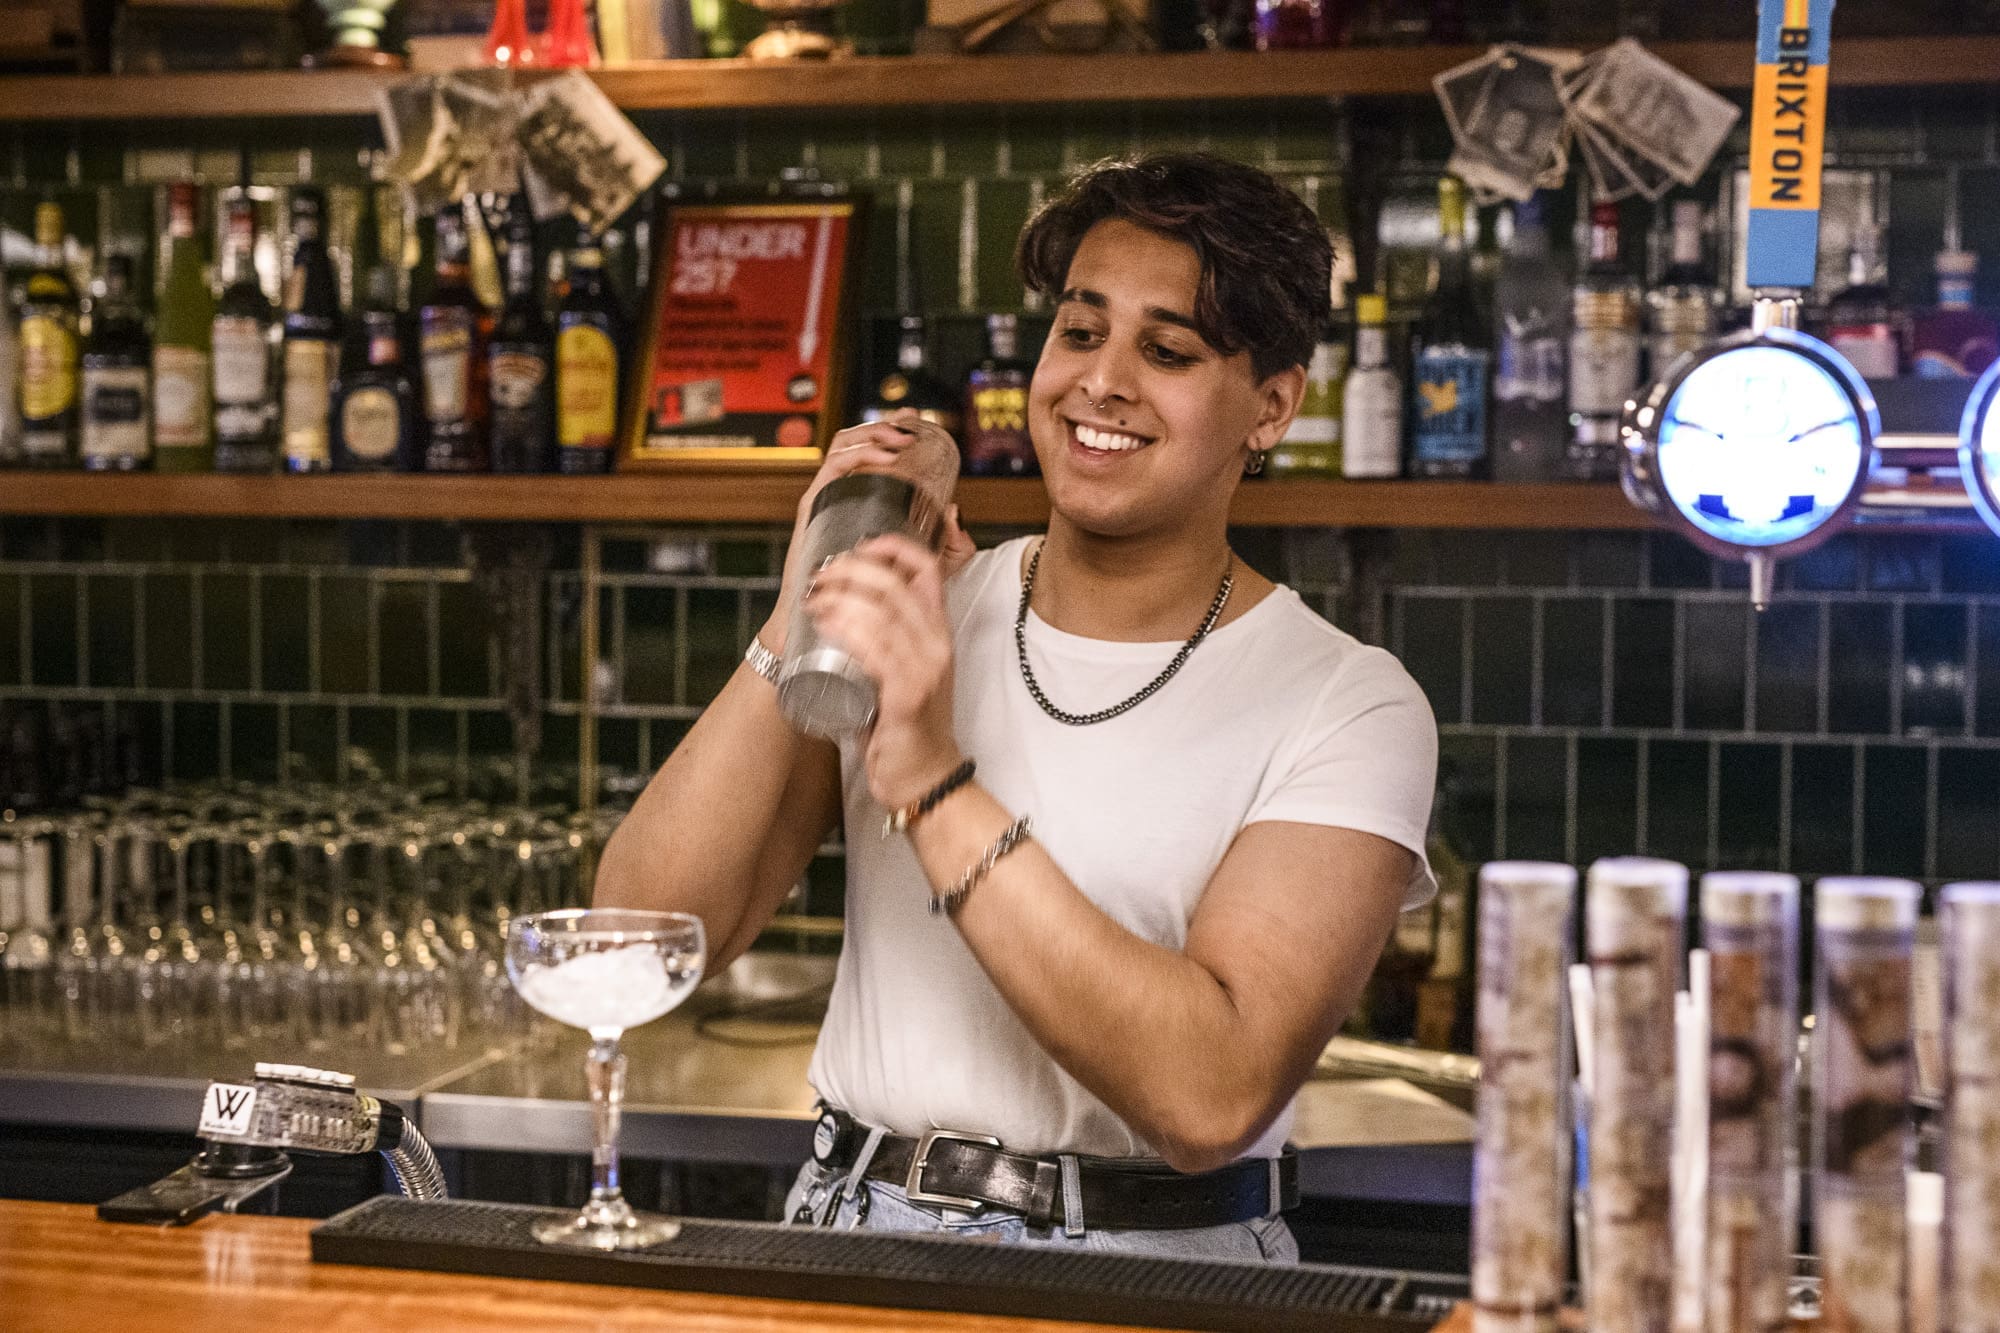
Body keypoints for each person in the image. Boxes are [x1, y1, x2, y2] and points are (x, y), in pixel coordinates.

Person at [595, 152, 1438, 1263]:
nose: (1102, 382)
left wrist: (929, 778)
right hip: (854, 1240)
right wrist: (811, 599)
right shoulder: (923, 610)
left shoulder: (1345, 701)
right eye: (1079, 333)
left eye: (1168, 350)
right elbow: (640, 945)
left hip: (1162, 1275)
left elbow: (1209, 1093)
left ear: (1271, 406)